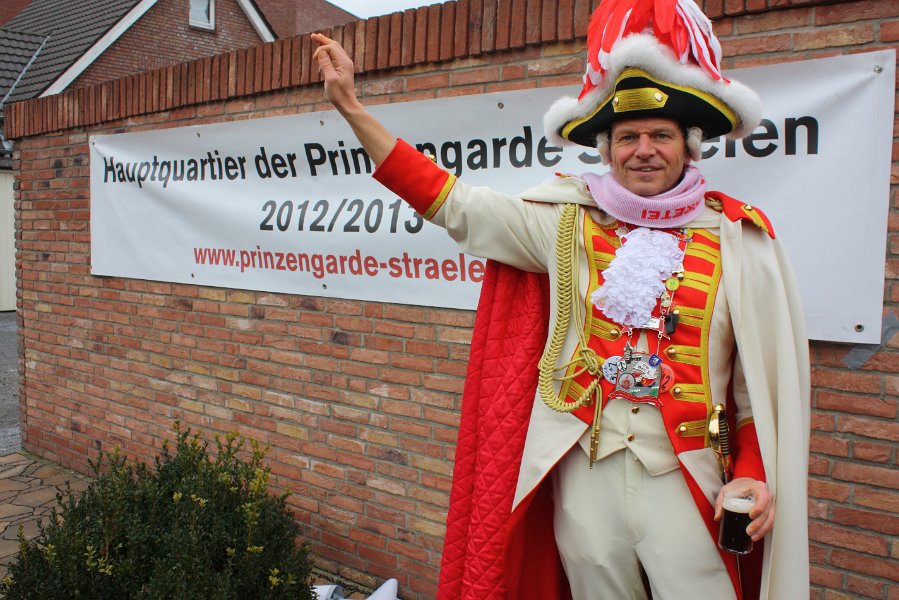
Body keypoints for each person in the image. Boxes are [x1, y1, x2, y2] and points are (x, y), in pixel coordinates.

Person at [311, 0, 810, 598]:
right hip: (585, 475)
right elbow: (454, 203)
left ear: (689, 146)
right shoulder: (567, 221)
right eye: (627, 138)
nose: (643, 149)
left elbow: (756, 396)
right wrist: (352, 109)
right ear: (607, 149)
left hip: (690, 480)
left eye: (660, 135)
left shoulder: (738, 238)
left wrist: (751, 473)